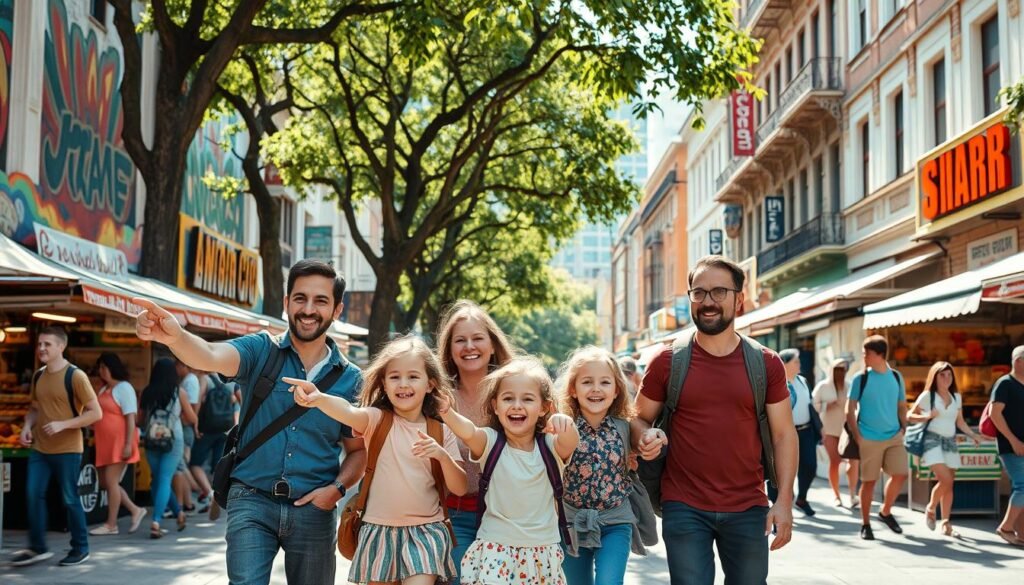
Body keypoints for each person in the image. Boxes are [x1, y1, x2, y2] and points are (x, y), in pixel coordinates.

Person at [133, 259, 366, 585]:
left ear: (337, 309)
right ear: (286, 304)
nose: (308, 309)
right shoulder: (261, 349)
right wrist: (176, 338)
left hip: (315, 508)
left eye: (321, 301)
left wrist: (337, 490)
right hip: (251, 499)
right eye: (300, 298)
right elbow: (210, 355)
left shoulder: (352, 380)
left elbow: (357, 452)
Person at [634, 255, 797, 585]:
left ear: (739, 299)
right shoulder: (667, 361)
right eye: (699, 292)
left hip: (749, 505)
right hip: (683, 504)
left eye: (719, 292)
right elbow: (638, 419)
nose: (707, 302)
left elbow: (784, 435)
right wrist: (644, 438)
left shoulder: (766, 363)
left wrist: (784, 501)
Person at [288, 334, 468, 585]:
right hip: (377, 530)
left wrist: (442, 455)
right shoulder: (376, 420)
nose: (403, 384)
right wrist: (319, 398)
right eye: (394, 377)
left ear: (430, 384)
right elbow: (348, 411)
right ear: (383, 384)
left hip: (426, 531)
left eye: (413, 376)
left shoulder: (441, 431)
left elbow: (460, 487)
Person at [436, 356, 580, 584]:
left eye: (528, 399)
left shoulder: (550, 446)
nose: (516, 405)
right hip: (496, 548)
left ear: (544, 408)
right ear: (495, 405)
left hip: (542, 552)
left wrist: (565, 423)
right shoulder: (491, 442)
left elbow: (570, 442)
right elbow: (469, 432)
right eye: (508, 398)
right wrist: (447, 412)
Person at [556, 346, 654, 585]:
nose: (596, 389)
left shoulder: (625, 427)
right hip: (571, 523)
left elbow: (645, 441)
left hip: (616, 522)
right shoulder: (563, 427)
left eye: (605, 382)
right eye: (587, 382)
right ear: (573, 389)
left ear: (617, 389)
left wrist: (652, 438)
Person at [435, 299, 516, 574]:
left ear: (492, 345)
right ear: (449, 350)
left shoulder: (513, 393)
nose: (469, 347)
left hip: (506, 516)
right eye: (460, 340)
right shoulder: (437, 398)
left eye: (477, 338)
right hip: (454, 514)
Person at [10, 326, 102, 567]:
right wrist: (27, 427)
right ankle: (38, 547)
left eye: (47, 344)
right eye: (40, 344)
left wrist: (64, 424)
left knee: (70, 499)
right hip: (40, 448)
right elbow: (34, 408)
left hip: (68, 449)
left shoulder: (76, 376)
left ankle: (81, 548)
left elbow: (96, 413)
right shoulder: (38, 375)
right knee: (32, 494)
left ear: (61, 346)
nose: (41, 348)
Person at [906, 362, 982, 538]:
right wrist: (927, 416)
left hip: (950, 441)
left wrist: (973, 435)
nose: (946, 378)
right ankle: (931, 507)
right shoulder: (928, 396)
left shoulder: (956, 397)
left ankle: (946, 522)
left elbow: (960, 422)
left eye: (949, 375)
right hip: (931, 440)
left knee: (949, 482)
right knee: (946, 479)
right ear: (934, 376)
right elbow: (909, 415)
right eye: (942, 375)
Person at [846, 335, 908, 541]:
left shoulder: (897, 377)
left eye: (868, 354)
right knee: (870, 482)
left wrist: (904, 427)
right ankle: (865, 524)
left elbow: (901, 405)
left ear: (880, 355)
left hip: (894, 436)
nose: (864, 357)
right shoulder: (860, 378)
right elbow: (850, 407)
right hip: (868, 437)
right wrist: (858, 435)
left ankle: (885, 512)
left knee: (900, 474)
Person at [89, 352, 147, 535]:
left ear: (112, 368)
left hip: (119, 442)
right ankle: (135, 510)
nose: (101, 371)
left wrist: (128, 443)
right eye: (100, 368)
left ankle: (111, 524)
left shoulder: (124, 388)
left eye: (104, 367)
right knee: (107, 482)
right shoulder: (103, 389)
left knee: (112, 481)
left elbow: (131, 418)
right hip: (105, 442)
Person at [140, 358, 194, 538]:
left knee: (158, 480)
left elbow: (140, 420)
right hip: (174, 438)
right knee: (163, 479)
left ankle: (178, 513)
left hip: (151, 439)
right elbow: (192, 418)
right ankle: (156, 521)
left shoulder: (147, 393)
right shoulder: (179, 392)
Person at [770, 348, 818, 516]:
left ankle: (802, 498)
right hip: (784, 433)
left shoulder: (803, 381)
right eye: (796, 361)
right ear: (784, 363)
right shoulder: (777, 382)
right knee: (780, 471)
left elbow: (810, 405)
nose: (799, 364)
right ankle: (777, 507)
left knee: (810, 466)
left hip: (806, 431)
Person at [813, 358, 859, 508]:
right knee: (835, 461)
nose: (841, 372)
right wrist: (827, 405)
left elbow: (857, 405)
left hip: (848, 430)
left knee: (853, 462)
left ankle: (853, 494)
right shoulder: (823, 386)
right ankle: (836, 495)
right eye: (837, 369)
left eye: (843, 369)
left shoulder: (850, 385)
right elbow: (813, 405)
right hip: (829, 429)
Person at [990, 345, 1024, 546]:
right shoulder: (1005, 384)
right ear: (1018, 361)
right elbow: (995, 414)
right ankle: (1006, 527)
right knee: (1023, 487)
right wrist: (1013, 441)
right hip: (1012, 447)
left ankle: (1021, 534)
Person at [174, 359, 202, 514]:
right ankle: (188, 502)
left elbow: (193, 407)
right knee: (182, 464)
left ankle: (201, 491)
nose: (176, 369)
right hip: (186, 427)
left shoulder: (190, 381)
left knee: (181, 465)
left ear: (183, 365)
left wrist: (188, 422)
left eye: (177, 366)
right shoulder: (188, 380)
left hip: (185, 428)